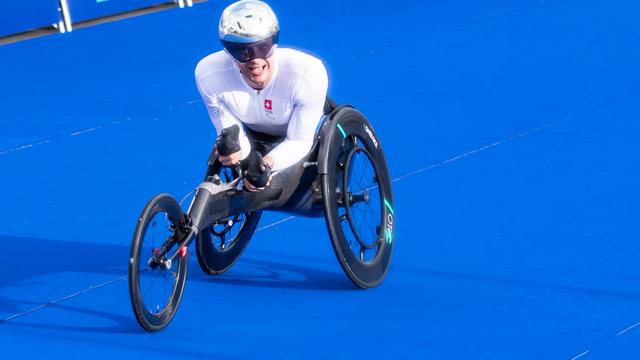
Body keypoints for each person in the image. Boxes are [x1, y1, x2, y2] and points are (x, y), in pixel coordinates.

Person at [195, 0, 329, 192]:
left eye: (263, 47)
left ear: (274, 42)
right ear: (227, 50)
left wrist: (267, 164)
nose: (255, 59)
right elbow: (231, 132)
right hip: (253, 138)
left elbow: (300, 140)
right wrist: (236, 152)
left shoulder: (308, 73)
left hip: (302, 141)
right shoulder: (208, 74)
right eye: (242, 51)